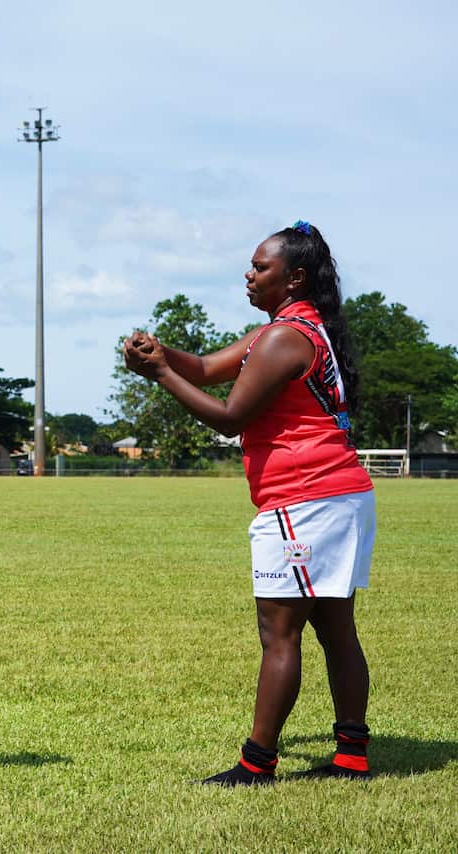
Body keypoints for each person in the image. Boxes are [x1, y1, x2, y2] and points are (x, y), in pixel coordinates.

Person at [122, 221, 375, 786]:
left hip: (305, 499)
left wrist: (158, 373)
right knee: (337, 630)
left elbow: (231, 416)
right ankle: (352, 755)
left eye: (261, 267)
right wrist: (163, 352)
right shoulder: (295, 328)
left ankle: (256, 764)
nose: (249, 274)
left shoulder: (285, 338)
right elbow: (210, 368)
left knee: (278, 634)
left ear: (295, 277)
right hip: (337, 493)